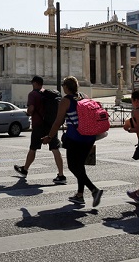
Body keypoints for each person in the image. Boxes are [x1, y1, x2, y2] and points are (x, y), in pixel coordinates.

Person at [42, 76, 103, 207]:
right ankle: (80, 195)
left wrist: (49, 136)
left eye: (63, 85)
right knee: (80, 166)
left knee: (73, 166)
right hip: (90, 136)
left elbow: (58, 121)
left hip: (76, 137)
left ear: (65, 87)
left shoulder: (65, 101)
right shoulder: (84, 96)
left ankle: (94, 190)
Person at [14, 76, 66, 185]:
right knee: (55, 149)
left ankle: (25, 170)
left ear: (36, 83)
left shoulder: (33, 94)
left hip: (39, 125)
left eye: (33, 83)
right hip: (51, 125)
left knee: (33, 148)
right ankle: (61, 175)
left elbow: (31, 109)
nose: (32, 85)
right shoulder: (47, 94)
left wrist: (28, 113)